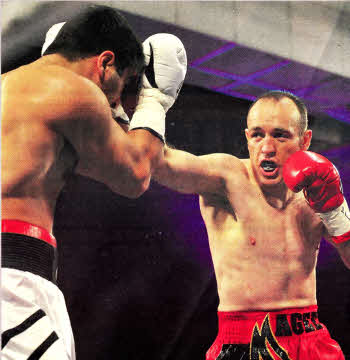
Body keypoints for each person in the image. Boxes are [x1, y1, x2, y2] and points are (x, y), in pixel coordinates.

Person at [1, 4, 187, 359]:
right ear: (104, 62)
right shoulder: (73, 90)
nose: (115, 102)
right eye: (122, 84)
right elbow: (134, 175)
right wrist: (155, 101)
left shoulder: (15, 90)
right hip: (12, 281)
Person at [153, 90, 350, 359]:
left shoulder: (318, 188)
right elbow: (160, 163)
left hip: (310, 340)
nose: (267, 148)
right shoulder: (226, 178)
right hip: (244, 342)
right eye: (258, 135)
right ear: (247, 138)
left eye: (280, 135)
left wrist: (335, 212)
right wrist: (152, 102)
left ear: (305, 141)